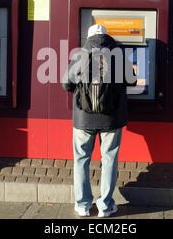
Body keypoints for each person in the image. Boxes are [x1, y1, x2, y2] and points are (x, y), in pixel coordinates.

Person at [62, 24, 136, 218]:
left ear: (88, 36)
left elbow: (65, 83)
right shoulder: (118, 53)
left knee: (81, 160)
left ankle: (83, 205)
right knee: (109, 159)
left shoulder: (80, 53)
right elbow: (132, 80)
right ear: (106, 36)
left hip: (83, 118)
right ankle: (105, 206)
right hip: (111, 118)